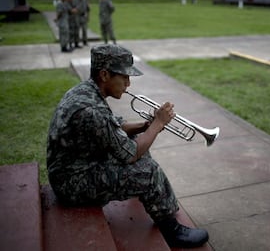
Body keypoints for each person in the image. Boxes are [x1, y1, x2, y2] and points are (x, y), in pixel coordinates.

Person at [46, 44, 209, 248]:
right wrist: (157, 125)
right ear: (105, 75)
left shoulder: (86, 91)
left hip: (76, 166)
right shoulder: (91, 109)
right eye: (124, 77)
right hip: (72, 184)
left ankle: (161, 203)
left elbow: (116, 127)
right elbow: (129, 155)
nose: (128, 84)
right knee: (147, 171)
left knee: (140, 144)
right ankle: (172, 231)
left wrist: (145, 126)